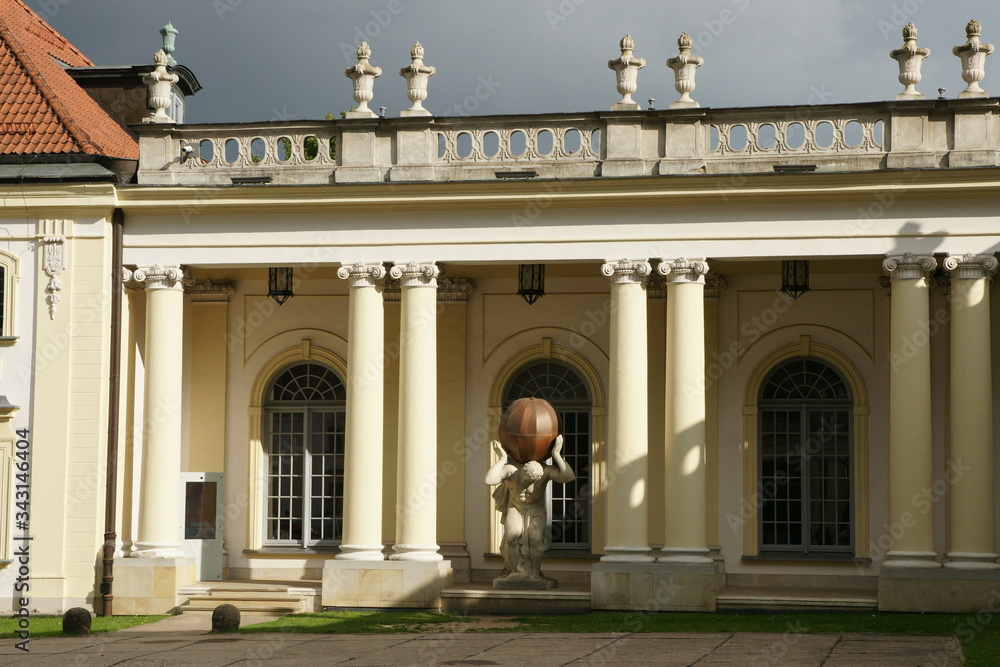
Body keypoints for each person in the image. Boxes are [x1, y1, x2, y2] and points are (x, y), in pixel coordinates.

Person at [485, 435, 575, 585]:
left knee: (536, 539)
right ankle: (515, 572)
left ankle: (535, 572)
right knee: (511, 538)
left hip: (535, 510)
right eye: (527, 480)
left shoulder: (545, 471)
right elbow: (489, 480)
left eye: (533, 481)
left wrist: (556, 454)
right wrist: (501, 459)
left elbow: (568, 477)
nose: (529, 484)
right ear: (523, 473)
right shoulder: (512, 470)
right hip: (515, 507)